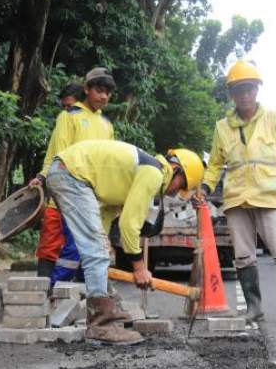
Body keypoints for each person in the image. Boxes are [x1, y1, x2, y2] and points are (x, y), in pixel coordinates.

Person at [47, 139, 203, 345]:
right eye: (181, 186)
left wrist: (102, 242)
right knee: (97, 254)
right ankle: (101, 326)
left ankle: (110, 309)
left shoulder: (136, 173)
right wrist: (139, 267)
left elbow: (107, 211)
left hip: (66, 171)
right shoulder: (154, 173)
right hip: (71, 174)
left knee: (99, 252)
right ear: (176, 169)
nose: (174, 192)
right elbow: (129, 226)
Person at [197, 60, 276, 325]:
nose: (244, 94)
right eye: (238, 89)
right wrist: (206, 186)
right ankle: (253, 307)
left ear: (257, 90)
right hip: (237, 200)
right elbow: (215, 165)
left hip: (269, 198)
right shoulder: (222, 127)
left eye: (249, 88)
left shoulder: (275, 119)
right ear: (231, 94)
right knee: (243, 256)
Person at [30, 68, 116, 280]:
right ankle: (44, 293)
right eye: (99, 90)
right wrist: (43, 177)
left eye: (108, 92)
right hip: (64, 193)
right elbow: (57, 154)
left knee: (84, 249)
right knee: (51, 244)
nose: (103, 96)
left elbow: (108, 163)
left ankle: (78, 300)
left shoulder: (107, 125)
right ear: (87, 89)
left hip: (92, 199)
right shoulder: (69, 117)